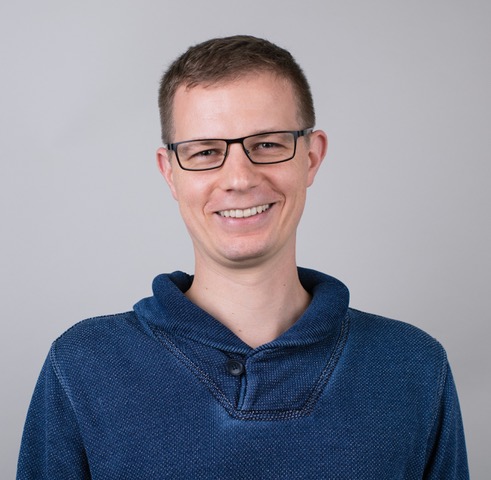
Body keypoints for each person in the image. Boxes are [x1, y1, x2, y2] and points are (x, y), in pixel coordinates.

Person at [17, 35, 469, 479]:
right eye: (205, 152)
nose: (239, 178)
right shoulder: (83, 366)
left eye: (267, 144)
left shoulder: (413, 367)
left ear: (311, 157)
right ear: (169, 172)